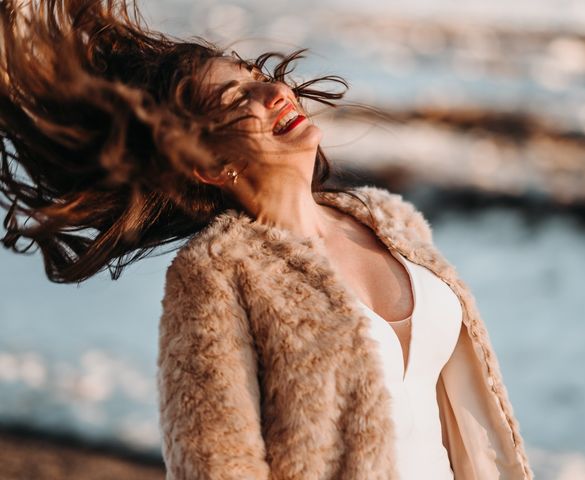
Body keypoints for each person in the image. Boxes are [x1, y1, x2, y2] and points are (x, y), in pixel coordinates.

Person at [0, 1, 533, 479]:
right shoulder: (216, 275)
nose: (276, 91)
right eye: (239, 98)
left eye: (257, 75)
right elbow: (217, 464)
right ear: (210, 164)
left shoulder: (391, 222)